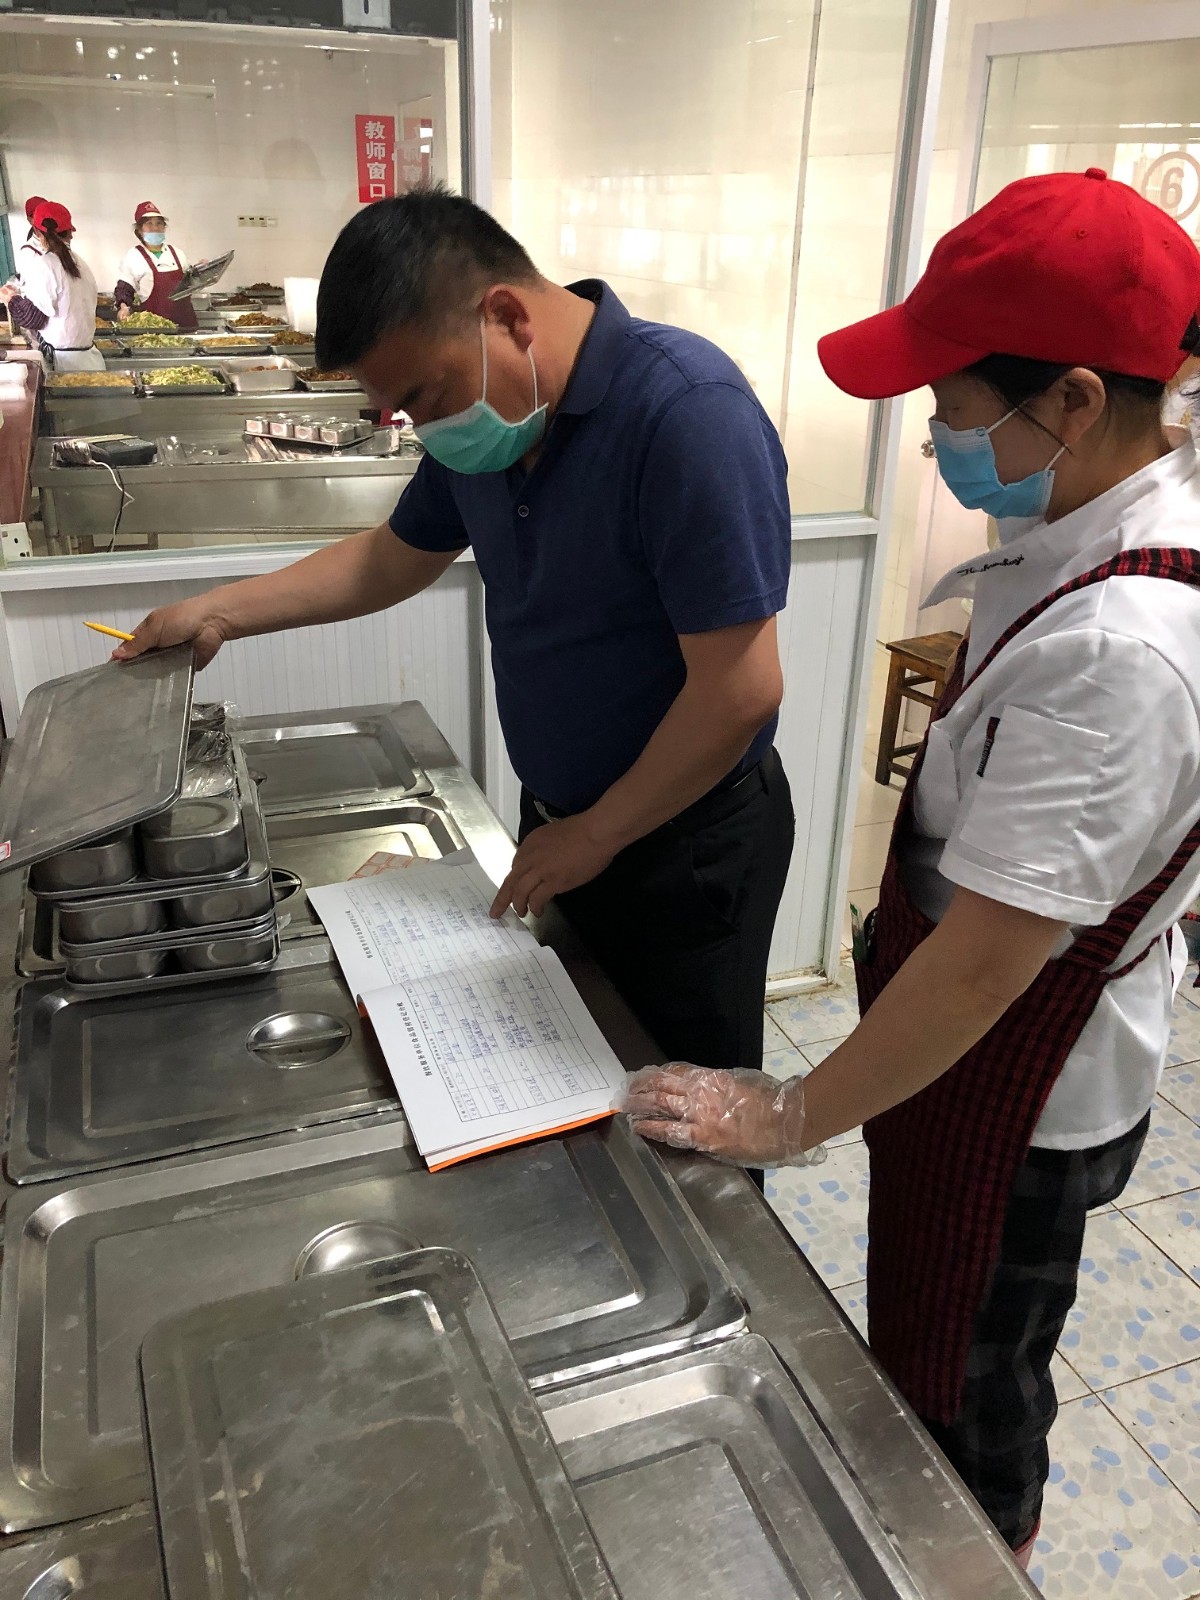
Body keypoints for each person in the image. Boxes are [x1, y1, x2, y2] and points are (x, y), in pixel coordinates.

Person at [624, 167, 1200, 1570]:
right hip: (973, 1053)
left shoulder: (1121, 652)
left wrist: (792, 1113)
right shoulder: (1081, 536)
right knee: (935, 1356)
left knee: (970, 1397)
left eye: (951, 406)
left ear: (1075, 400)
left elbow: (992, 962)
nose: (939, 438)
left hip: (1018, 1086)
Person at [114, 187, 794, 1082]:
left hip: (684, 846)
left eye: (425, 395)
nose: (424, 427)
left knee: (686, 1108)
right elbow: (390, 558)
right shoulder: (497, 431)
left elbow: (740, 691)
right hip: (568, 826)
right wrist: (220, 611)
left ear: (505, 316)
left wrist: (599, 833)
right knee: (583, 1074)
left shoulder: (688, 415)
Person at [0, 201, 103, 372]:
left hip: (65, 365)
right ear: (70, 234)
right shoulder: (80, 263)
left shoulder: (46, 265)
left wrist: (10, 299)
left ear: (39, 234)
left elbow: (33, 319)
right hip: (88, 359)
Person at [113, 201, 197, 331]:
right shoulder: (133, 256)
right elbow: (124, 289)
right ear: (139, 230)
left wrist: (201, 269)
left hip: (186, 326)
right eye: (149, 223)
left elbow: (191, 281)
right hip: (153, 330)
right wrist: (123, 308)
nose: (155, 228)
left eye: (159, 223)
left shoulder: (178, 253)